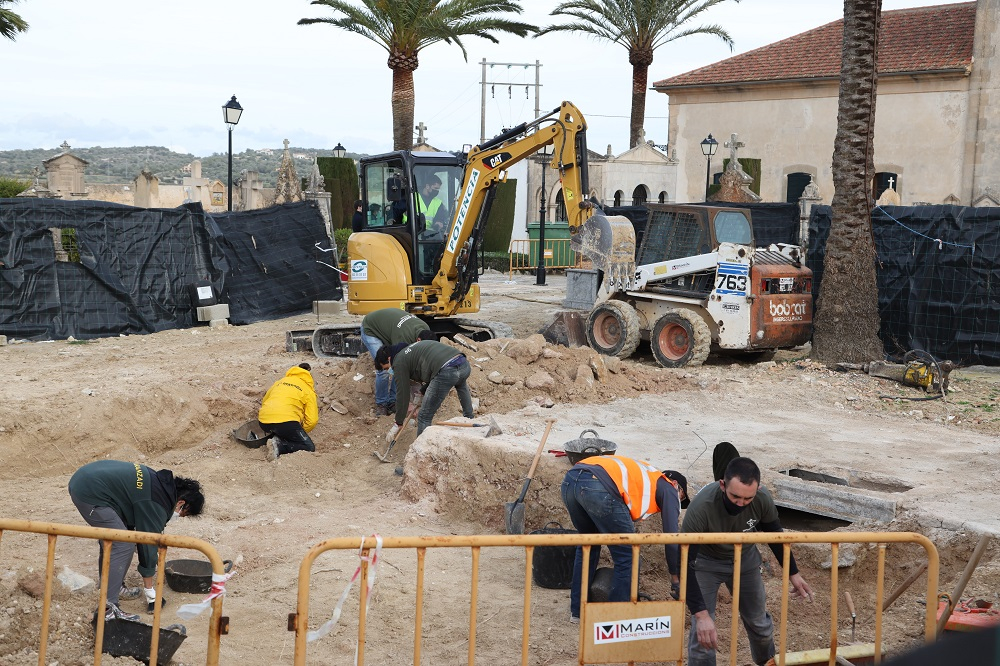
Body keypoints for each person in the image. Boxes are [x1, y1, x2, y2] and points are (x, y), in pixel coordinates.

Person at [682, 456, 813, 666]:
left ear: (758, 489)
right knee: (703, 632)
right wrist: (701, 614)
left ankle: (766, 663)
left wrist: (793, 573)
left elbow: (776, 537)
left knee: (759, 623)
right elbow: (685, 562)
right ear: (722, 485)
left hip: (745, 560)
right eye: (735, 497)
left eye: (747, 499)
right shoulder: (701, 507)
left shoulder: (762, 499)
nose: (741, 504)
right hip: (706, 563)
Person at [68, 460, 205, 622]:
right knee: (123, 543)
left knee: (115, 539)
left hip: (87, 480)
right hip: (90, 492)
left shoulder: (160, 484)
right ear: (181, 503)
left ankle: (113, 587)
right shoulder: (157, 502)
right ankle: (108, 609)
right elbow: (147, 544)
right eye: (182, 514)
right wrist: (150, 590)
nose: (178, 516)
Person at [561, 455, 689, 623]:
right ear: (675, 485)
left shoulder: (643, 477)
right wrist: (675, 578)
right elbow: (672, 538)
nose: (677, 503)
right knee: (629, 555)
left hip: (571, 481)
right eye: (681, 499)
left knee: (588, 546)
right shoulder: (668, 487)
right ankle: (617, 620)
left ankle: (577, 612)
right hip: (598, 485)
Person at [375, 339, 474, 439]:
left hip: (447, 371)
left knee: (424, 416)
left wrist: (398, 422)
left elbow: (402, 394)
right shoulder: (410, 350)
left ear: (388, 359)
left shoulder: (399, 362)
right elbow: (433, 369)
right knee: (460, 384)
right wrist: (422, 392)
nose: (389, 371)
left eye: (387, 368)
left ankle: (421, 450)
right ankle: (470, 420)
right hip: (463, 363)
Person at [360, 309, 435, 416]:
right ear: (418, 340)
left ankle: (393, 402)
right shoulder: (403, 337)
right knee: (384, 370)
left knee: (401, 367)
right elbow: (398, 363)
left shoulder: (426, 330)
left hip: (390, 326)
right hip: (371, 328)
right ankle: (382, 404)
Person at [258, 363, 319, 460]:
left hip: (263, 422)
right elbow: (312, 421)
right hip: (286, 423)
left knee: (283, 429)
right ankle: (279, 446)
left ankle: (277, 436)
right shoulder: (308, 390)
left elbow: (265, 400)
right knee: (309, 447)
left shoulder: (280, 382)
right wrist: (300, 431)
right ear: (309, 377)